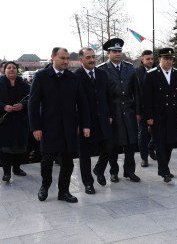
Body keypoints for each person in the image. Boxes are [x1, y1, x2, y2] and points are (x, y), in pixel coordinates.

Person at [29, 47, 90, 203]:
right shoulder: (41, 76)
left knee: (68, 162)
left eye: (67, 58)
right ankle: (45, 186)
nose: (66, 61)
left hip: (69, 127)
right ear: (52, 58)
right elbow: (33, 104)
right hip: (48, 127)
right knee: (47, 160)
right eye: (62, 58)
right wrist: (36, 127)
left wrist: (85, 125)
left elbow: (82, 103)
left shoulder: (73, 78)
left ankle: (64, 191)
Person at [99, 38, 141, 183]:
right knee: (114, 145)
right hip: (113, 112)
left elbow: (137, 91)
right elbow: (101, 95)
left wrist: (138, 111)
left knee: (131, 143)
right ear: (108, 53)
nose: (118, 54)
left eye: (119, 51)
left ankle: (130, 171)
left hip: (129, 111)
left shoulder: (130, 68)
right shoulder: (102, 69)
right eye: (114, 52)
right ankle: (113, 171)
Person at [143, 48, 177, 183]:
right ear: (160, 59)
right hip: (157, 116)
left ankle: (163, 167)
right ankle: (165, 171)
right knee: (159, 143)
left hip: (173, 115)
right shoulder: (151, 75)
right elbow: (147, 98)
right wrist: (148, 116)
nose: (169, 61)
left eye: (171, 59)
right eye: (166, 59)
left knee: (170, 143)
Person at [75, 47, 113, 194]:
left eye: (93, 57)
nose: (92, 60)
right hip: (86, 122)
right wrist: (80, 123)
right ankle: (88, 183)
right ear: (80, 60)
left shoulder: (102, 74)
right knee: (84, 154)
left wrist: (109, 115)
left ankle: (99, 169)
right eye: (88, 57)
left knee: (109, 147)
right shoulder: (75, 76)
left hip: (103, 119)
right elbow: (74, 102)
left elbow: (108, 96)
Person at [0, 61, 29, 182]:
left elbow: (32, 99)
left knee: (19, 145)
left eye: (14, 68)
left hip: (20, 120)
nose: (11, 70)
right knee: (5, 146)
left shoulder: (24, 85)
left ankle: (17, 168)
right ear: (4, 70)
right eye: (9, 68)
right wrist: (3, 106)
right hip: (4, 120)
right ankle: (7, 172)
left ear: (18, 71)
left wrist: (22, 105)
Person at [135, 50, 156, 167]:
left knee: (158, 132)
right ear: (142, 59)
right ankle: (144, 158)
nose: (151, 61)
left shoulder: (157, 70)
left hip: (156, 109)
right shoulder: (137, 72)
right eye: (148, 59)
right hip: (143, 109)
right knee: (142, 134)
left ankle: (150, 147)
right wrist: (138, 111)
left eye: (152, 59)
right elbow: (137, 93)